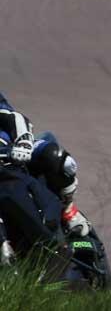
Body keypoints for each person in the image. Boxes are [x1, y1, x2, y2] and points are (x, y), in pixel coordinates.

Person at [0, 96, 91, 243]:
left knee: (56, 156)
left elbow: (13, 117)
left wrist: (23, 142)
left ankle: (68, 210)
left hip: (12, 153)